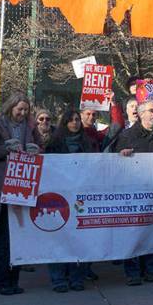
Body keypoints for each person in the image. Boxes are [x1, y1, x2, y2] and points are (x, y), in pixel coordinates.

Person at [0, 93, 39, 295]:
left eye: (25, 110)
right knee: (4, 236)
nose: (22, 113)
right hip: (1, 185)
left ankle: (14, 279)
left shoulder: (30, 127)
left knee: (18, 235)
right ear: (10, 107)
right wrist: (5, 149)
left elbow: (41, 149)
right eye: (19, 109)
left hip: (23, 185)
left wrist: (36, 150)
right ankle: (4, 281)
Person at [114, 100, 153, 285]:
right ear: (140, 114)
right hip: (134, 192)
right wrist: (121, 154)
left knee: (152, 230)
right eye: (151, 110)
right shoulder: (128, 136)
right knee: (133, 231)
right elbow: (115, 161)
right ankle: (132, 272)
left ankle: (152, 269)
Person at [46, 108, 99, 292]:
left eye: (77, 119)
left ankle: (77, 277)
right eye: (71, 120)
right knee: (59, 238)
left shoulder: (87, 143)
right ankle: (58, 278)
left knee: (80, 238)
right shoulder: (55, 143)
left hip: (80, 197)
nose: (75, 123)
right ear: (64, 122)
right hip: (60, 197)